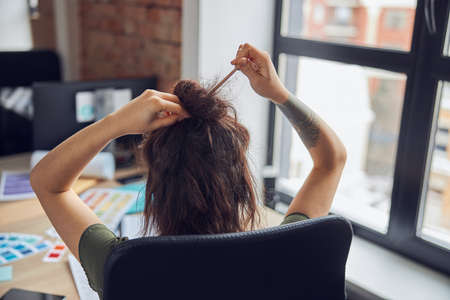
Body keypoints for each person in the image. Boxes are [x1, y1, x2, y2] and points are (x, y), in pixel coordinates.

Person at [30, 43, 346, 298]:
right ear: (239, 180)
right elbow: (331, 160)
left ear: (157, 187)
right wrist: (280, 93)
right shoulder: (292, 250)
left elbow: (48, 182)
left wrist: (116, 124)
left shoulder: (124, 265)